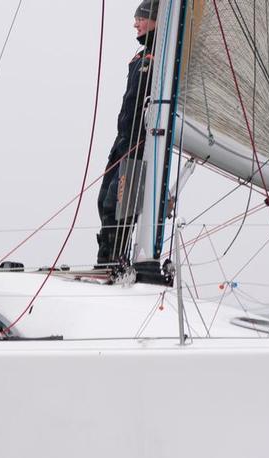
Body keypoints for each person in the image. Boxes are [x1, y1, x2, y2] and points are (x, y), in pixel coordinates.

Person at [95, 0, 159, 268]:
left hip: (139, 142)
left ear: (156, 20)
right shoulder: (139, 58)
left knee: (118, 206)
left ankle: (112, 262)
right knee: (103, 201)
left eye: (141, 17)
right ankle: (107, 258)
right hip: (122, 142)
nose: (135, 23)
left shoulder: (161, 58)